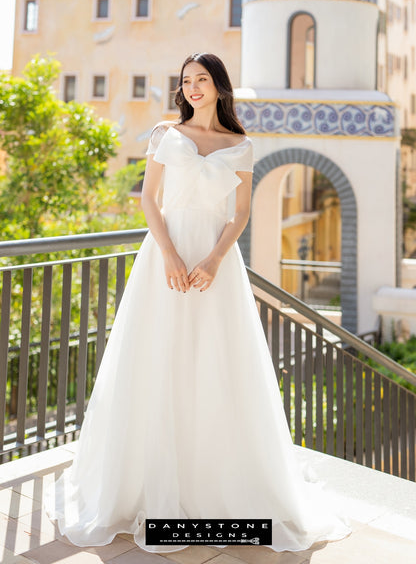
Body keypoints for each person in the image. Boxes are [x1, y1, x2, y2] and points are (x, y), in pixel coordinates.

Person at [45, 52, 350, 553]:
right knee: (155, 359)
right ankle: (142, 488)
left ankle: (214, 491)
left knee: (214, 363)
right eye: (186, 81)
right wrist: (168, 254)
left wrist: (212, 261)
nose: (192, 88)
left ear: (219, 86)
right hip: (163, 259)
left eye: (202, 80)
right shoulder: (166, 134)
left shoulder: (241, 144)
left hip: (216, 264)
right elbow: (148, 198)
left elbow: (241, 214)